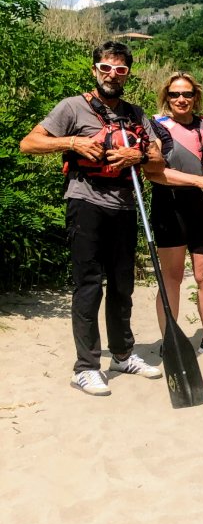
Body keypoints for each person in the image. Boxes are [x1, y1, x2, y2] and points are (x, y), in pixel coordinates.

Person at [19, 41, 164, 396]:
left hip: (125, 206)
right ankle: (85, 366)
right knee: (88, 285)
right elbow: (29, 142)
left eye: (120, 70)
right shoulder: (72, 107)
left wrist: (139, 156)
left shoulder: (136, 114)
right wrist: (73, 143)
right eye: (105, 68)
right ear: (94, 70)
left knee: (122, 285)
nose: (112, 75)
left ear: (128, 74)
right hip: (85, 201)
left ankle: (122, 354)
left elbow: (158, 158)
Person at [143, 73, 203, 354]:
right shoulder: (156, 127)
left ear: (196, 97)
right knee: (172, 277)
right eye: (174, 95)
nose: (181, 99)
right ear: (166, 97)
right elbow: (154, 172)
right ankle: (170, 339)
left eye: (187, 94)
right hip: (170, 207)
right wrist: (197, 181)